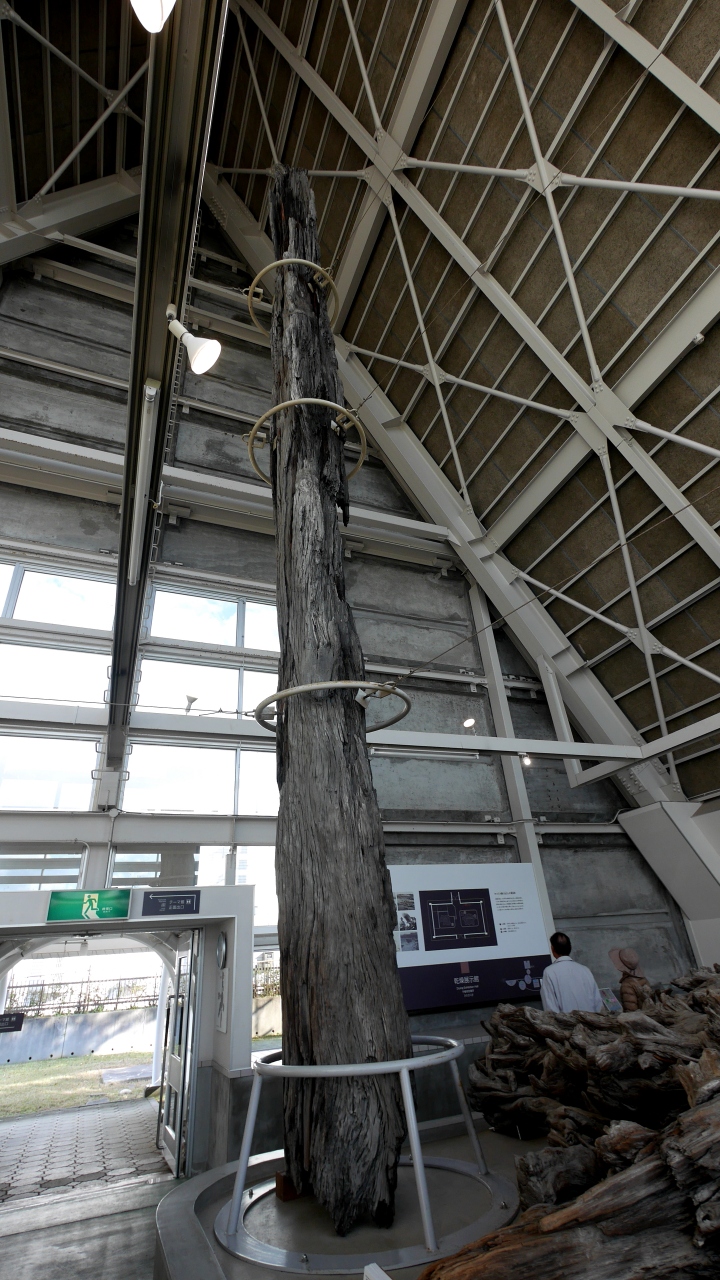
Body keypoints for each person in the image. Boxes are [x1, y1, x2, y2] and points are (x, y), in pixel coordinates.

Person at [541, 931, 603, 1014]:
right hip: (591, 1020)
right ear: (570, 947)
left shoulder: (549, 972)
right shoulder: (585, 970)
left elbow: (550, 1008)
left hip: (567, 1021)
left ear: (552, 949)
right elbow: (598, 1003)